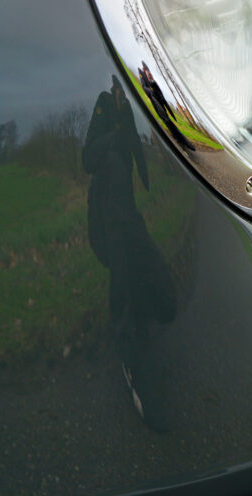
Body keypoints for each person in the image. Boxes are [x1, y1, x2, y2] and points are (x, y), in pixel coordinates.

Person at [83, 75, 176, 431]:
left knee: (161, 294)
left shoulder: (130, 113)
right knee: (122, 280)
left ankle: (148, 313)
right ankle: (133, 367)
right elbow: (87, 158)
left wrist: (149, 177)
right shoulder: (105, 104)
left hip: (130, 211)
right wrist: (112, 140)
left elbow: (137, 148)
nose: (123, 95)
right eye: (119, 89)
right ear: (113, 88)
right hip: (107, 214)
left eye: (126, 89)